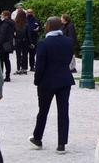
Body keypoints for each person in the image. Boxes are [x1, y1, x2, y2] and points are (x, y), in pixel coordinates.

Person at [30, 17, 75, 153]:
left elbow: (40, 66)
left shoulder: (43, 43)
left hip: (47, 81)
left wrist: (37, 80)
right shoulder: (68, 41)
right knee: (63, 111)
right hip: (64, 79)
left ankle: (38, 137)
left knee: (43, 110)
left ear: (48, 26)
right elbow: (68, 59)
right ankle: (61, 143)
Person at [0, 11, 15, 82]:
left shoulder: (5, 24)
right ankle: (7, 76)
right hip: (8, 44)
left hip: (3, 45)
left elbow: (2, 35)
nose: (0, 16)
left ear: (6, 16)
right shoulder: (11, 23)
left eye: (1, 15)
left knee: (0, 60)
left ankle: (0, 76)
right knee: (7, 60)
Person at [13, 8, 31, 75]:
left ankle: (18, 68)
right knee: (25, 55)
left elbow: (13, 34)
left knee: (18, 55)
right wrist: (30, 42)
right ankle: (24, 68)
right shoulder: (26, 24)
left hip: (17, 41)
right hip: (25, 41)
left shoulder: (15, 24)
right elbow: (28, 34)